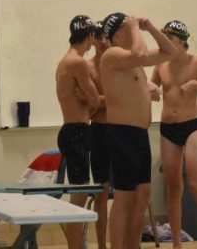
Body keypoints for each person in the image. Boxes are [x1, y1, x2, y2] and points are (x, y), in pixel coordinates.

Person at [99, 13, 182, 249]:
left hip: (139, 134)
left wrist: (151, 28)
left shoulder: (131, 60)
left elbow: (169, 53)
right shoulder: (112, 55)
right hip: (121, 134)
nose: (133, 29)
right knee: (125, 197)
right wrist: (136, 28)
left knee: (142, 195)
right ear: (117, 34)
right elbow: (141, 53)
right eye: (127, 26)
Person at [150, 20, 197, 249]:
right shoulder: (160, 63)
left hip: (192, 126)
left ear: (182, 41)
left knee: (196, 182)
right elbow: (148, 84)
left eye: (170, 40)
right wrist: (150, 86)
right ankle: (176, 243)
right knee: (173, 186)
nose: (165, 43)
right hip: (168, 128)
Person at [56, 15, 102, 249]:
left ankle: (76, 244)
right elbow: (94, 101)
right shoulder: (78, 62)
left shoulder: (65, 60)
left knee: (79, 193)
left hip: (72, 129)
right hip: (77, 131)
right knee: (80, 194)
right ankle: (75, 246)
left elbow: (88, 99)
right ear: (91, 36)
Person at [86, 18, 113, 249]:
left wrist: (104, 101)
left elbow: (132, 96)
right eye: (100, 37)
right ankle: (102, 245)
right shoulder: (87, 67)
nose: (104, 42)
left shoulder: (119, 63)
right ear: (92, 40)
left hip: (123, 128)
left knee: (128, 191)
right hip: (99, 131)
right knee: (101, 192)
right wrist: (117, 99)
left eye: (107, 37)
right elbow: (90, 104)